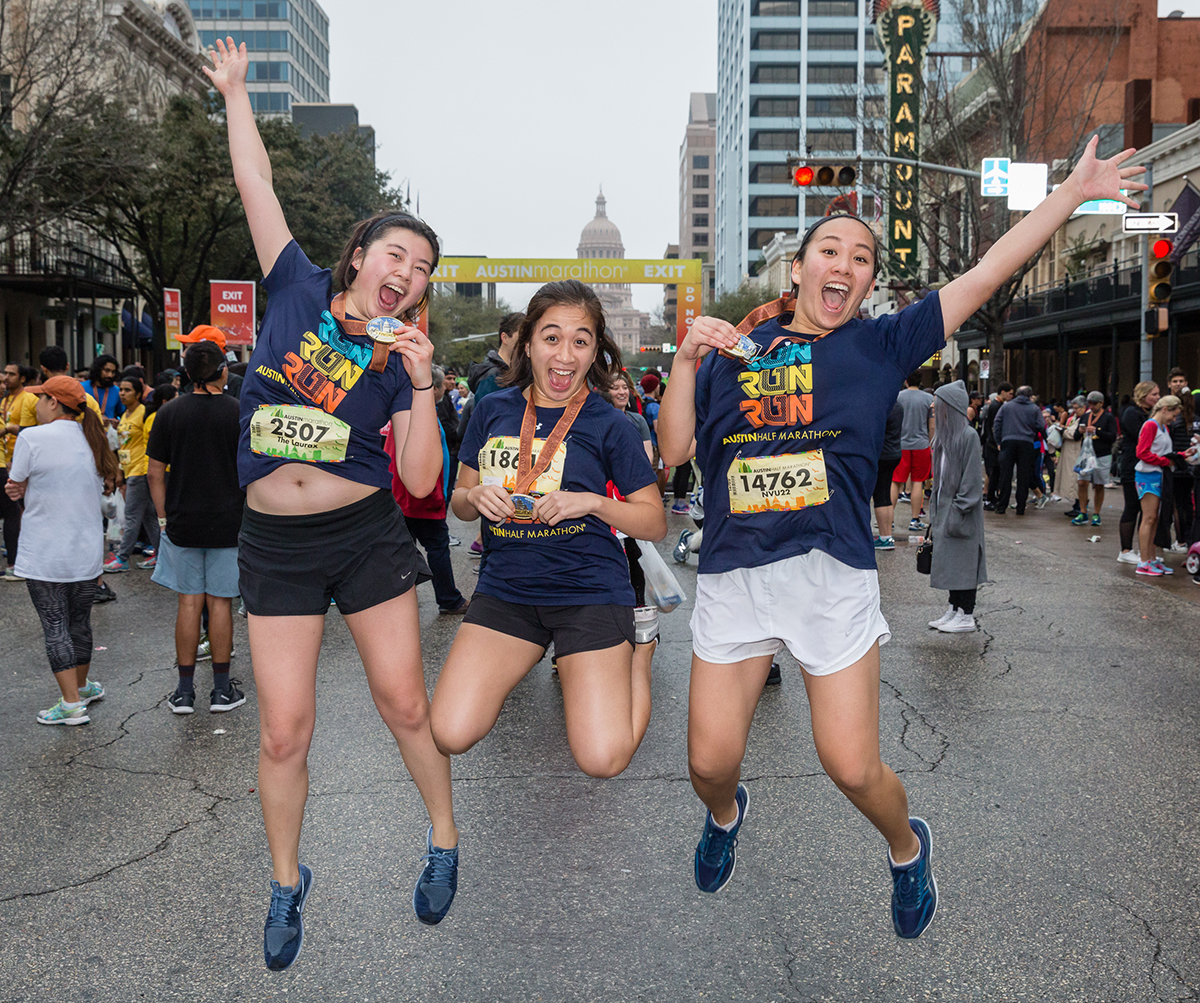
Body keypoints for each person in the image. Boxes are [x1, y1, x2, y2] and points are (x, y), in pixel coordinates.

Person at [656, 134, 1144, 939]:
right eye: (829, 250)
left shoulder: (879, 345)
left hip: (831, 574)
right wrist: (683, 363)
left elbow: (985, 273)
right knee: (708, 763)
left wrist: (1072, 194)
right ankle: (724, 813)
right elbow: (674, 450)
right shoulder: (732, 354)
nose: (844, 264)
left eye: (862, 258)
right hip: (736, 571)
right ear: (798, 269)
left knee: (851, 765)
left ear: (868, 284)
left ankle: (906, 846)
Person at [205, 36, 459, 971]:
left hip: (364, 535)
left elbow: (423, 483)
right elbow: (255, 181)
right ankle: (286, 881)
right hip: (273, 542)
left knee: (403, 702)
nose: (407, 271)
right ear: (359, 255)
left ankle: (443, 837)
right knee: (283, 729)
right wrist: (236, 93)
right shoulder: (295, 283)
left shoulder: (401, 357)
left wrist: (423, 382)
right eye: (397, 253)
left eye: (422, 268)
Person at [429, 280, 666, 783]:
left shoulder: (611, 424)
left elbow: (654, 522)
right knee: (449, 732)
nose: (565, 354)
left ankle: (640, 652)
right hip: (507, 591)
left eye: (580, 341)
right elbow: (460, 501)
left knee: (603, 760)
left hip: (589, 592)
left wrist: (595, 503)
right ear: (528, 343)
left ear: (595, 352)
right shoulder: (491, 409)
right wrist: (475, 497)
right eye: (552, 337)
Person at [5, 376, 117, 724]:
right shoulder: (93, 437)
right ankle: (81, 687)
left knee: (55, 625)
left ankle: (70, 705)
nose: (37, 405)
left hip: (45, 551)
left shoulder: (32, 437)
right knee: (79, 622)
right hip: (86, 549)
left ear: (53, 402)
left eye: (41, 398)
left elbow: (16, 481)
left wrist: (17, 489)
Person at [147, 342, 246, 712]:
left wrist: (163, 518)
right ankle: (221, 690)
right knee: (220, 603)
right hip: (229, 522)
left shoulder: (169, 412)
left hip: (181, 522)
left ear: (187, 374)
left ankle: (184, 692)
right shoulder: (239, 412)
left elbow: (154, 473)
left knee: (188, 603)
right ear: (223, 371)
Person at [386, 364, 469, 615]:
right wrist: (436, 495)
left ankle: (402, 600)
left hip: (404, 496)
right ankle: (448, 599)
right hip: (421, 498)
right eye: (441, 384)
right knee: (437, 548)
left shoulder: (404, 412)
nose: (445, 388)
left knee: (405, 552)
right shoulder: (417, 416)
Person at [924, 382, 986, 633]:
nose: (933, 407)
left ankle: (966, 613)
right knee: (951, 560)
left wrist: (958, 509)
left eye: (937, 403)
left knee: (964, 562)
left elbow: (971, 481)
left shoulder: (968, 436)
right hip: (947, 509)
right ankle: (954, 607)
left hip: (961, 512)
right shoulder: (943, 437)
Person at [103, 376, 161, 573]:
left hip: (141, 470)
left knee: (131, 515)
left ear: (138, 394)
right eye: (121, 390)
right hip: (130, 469)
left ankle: (122, 557)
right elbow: (124, 446)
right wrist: (120, 471)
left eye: (127, 390)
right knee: (148, 516)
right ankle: (161, 555)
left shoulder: (144, 413)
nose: (122, 394)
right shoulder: (125, 415)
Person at [1133, 395, 1184, 577]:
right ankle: (1144, 561)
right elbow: (1142, 452)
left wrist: (1180, 455)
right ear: (1165, 409)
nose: (1174, 419)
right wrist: (1164, 461)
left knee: (1154, 518)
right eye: (1173, 415)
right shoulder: (1151, 426)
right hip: (1148, 475)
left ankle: (1151, 559)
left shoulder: (1162, 427)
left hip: (1158, 474)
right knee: (1149, 518)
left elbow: (1158, 451)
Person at [2, 362, 37, 579]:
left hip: (22, 462)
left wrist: (9, 429)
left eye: (11, 374)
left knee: (18, 509)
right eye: (5, 374)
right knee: (13, 510)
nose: (6, 378)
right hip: (6, 460)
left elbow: (29, 431)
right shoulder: (5, 400)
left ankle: (18, 560)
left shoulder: (28, 399)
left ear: (22, 378)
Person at [1117, 381, 1160, 564]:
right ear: (1143, 395)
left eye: (1158, 394)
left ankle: (1146, 552)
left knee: (1148, 511)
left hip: (1149, 467)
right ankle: (1125, 550)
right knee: (1132, 506)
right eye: (1154, 394)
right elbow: (1143, 437)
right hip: (1132, 466)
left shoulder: (1151, 414)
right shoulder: (1132, 413)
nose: (1157, 397)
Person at [891, 372, 933, 531]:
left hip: (900, 443)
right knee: (918, 481)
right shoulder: (928, 399)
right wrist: (931, 444)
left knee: (895, 481)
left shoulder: (897, 397)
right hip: (921, 444)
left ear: (906, 381)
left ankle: (889, 518)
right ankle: (915, 519)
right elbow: (932, 425)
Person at [992, 385, 1044, 516]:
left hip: (1008, 441)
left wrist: (999, 441)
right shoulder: (1034, 408)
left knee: (1005, 475)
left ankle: (1002, 505)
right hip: (1026, 442)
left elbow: (997, 423)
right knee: (1023, 476)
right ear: (1030, 396)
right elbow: (1041, 425)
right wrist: (1031, 430)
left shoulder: (1006, 406)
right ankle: (1021, 507)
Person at [1071, 391, 1117, 526]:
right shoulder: (1085, 417)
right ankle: (1083, 511)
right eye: (1090, 403)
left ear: (1101, 403)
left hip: (1102, 454)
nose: (1091, 406)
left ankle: (1096, 513)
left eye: (1095, 404)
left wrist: (1097, 432)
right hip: (1086, 455)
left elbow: (1112, 437)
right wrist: (1080, 432)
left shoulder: (1108, 418)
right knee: (1082, 483)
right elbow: (1075, 436)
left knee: (1098, 484)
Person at [1166, 367, 1194, 548]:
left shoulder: (1173, 419)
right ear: (1169, 384)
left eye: (1180, 381)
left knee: (1177, 505)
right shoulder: (1192, 415)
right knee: (1186, 504)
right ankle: (1186, 539)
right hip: (1188, 463)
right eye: (1175, 381)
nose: (1177, 384)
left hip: (1178, 464)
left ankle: (1181, 540)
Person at [873, 398, 903, 550]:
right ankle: (887, 536)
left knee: (880, 497)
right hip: (894, 452)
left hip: (882, 455)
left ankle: (884, 537)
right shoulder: (898, 406)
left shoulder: (882, 406)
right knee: (885, 495)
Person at [981, 382, 1013, 509]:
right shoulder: (997, 407)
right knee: (994, 472)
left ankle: (991, 497)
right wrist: (997, 442)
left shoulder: (995, 405)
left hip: (991, 443)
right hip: (993, 445)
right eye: (1010, 393)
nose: (1011, 396)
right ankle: (991, 498)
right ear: (1003, 392)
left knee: (994, 473)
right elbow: (995, 427)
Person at [1055, 396, 1086, 513]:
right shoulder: (1076, 418)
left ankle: (1080, 507)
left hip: (1077, 452)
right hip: (1072, 451)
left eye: (1077, 408)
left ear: (1084, 407)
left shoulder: (1084, 418)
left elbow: (1075, 434)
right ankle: (1077, 505)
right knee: (1074, 479)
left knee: (1076, 479)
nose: (1074, 410)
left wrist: (1063, 430)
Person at [81, 354, 123, 426]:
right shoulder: (82, 388)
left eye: (113, 372)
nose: (110, 375)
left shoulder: (117, 391)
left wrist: (117, 421)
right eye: (107, 371)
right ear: (98, 369)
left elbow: (122, 414)